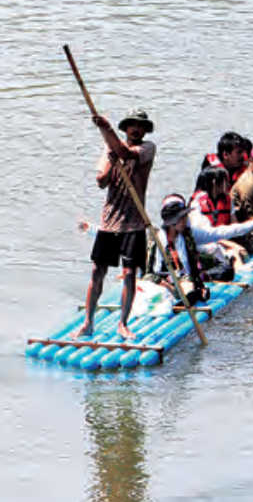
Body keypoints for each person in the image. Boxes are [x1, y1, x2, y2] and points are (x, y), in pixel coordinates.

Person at [74, 109, 156, 342]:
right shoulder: (110, 149)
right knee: (97, 271)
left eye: (140, 126)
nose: (136, 129)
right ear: (126, 128)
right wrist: (109, 158)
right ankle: (88, 322)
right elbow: (101, 182)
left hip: (134, 222)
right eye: (132, 125)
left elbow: (127, 153)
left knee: (129, 273)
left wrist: (106, 129)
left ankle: (123, 324)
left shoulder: (147, 148)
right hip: (110, 221)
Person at [188, 159, 253, 274]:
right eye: (224, 181)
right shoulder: (196, 204)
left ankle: (235, 262)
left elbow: (234, 225)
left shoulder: (227, 200)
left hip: (222, 238)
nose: (228, 184)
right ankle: (238, 268)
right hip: (206, 242)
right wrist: (230, 245)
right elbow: (205, 235)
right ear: (214, 182)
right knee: (230, 251)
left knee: (241, 251)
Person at [146, 194, 207, 306]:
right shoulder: (156, 239)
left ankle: (187, 298)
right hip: (162, 281)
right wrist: (167, 285)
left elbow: (193, 267)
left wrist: (200, 287)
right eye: (181, 218)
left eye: (185, 217)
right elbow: (148, 272)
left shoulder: (187, 236)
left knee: (189, 287)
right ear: (172, 221)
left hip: (182, 280)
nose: (185, 221)